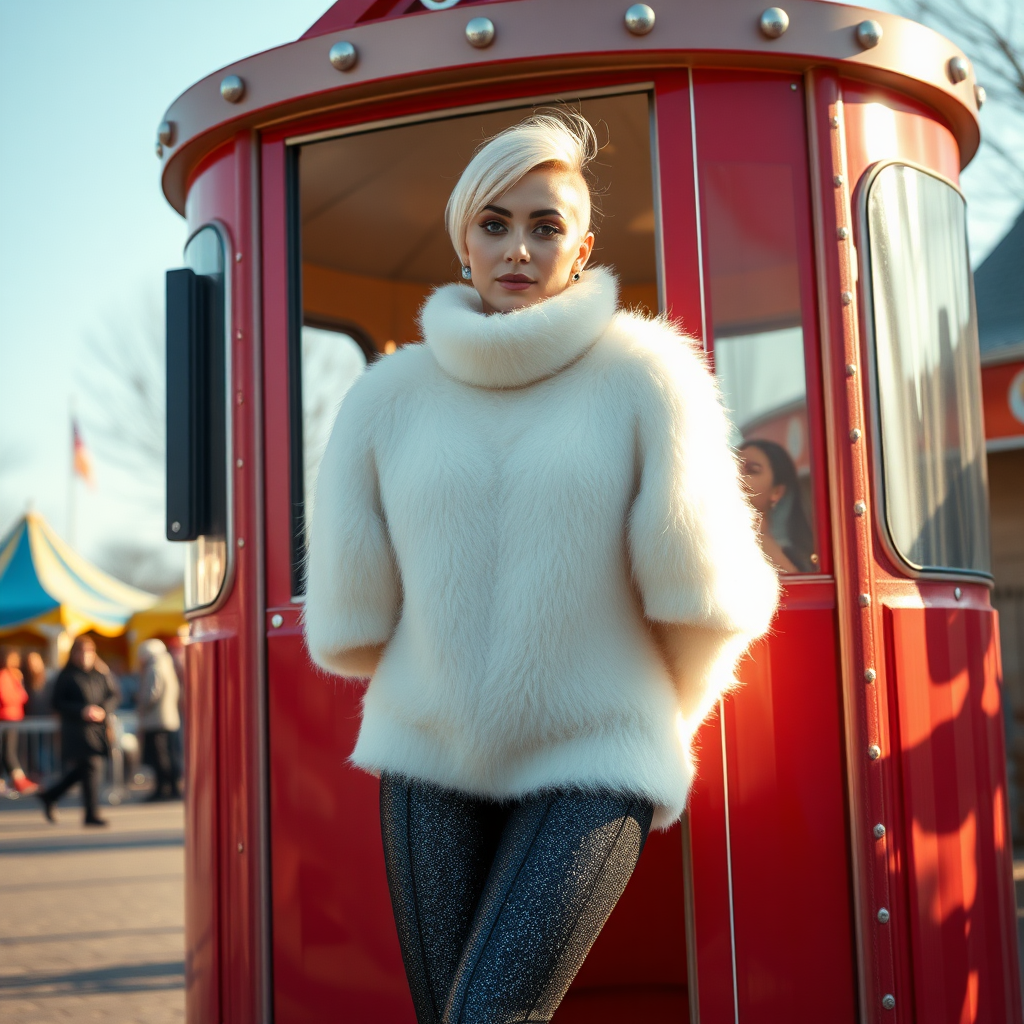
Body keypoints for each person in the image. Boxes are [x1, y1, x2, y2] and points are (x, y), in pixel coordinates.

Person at [304, 112, 779, 1024]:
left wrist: (639, 716)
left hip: (598, 756)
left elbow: (706, 596)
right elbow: (352, 622)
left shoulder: (649, 373)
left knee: (490, 1015)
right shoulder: (385, 398)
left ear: (582, 245)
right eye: (495, 222)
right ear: (463, 238)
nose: (518, 247)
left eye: (546, 225)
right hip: (426, 754)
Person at [38, 634, 120, 826]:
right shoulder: (66, 676)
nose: (85, 656)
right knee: (91, 767)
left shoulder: (100, 674)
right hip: (77, 730)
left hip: (97, 729)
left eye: (88, 652)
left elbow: (113, 696)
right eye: (81, 652)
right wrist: (81, 710)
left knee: (85, 770)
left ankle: (51, 795)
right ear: (73, 654)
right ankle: (91, 813)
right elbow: (57, 703)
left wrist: (103, 710)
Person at [738, 438, 816, 574]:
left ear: (777, 492)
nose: (738, 477)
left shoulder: (791, 555)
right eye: (734, 469)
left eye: (751, 471)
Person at [135, 639, 181, 801]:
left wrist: (140, 704)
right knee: (169, 755)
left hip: (156, 720)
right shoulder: (167, 665)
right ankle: (172, 787)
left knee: (160, 757)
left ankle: (162, 788)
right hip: (168, 718)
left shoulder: (154, 668)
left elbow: (151, 694)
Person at [0, 647, 38, 795]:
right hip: (6, 719)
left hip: (14, 718)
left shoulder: (13, 675)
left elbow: (23, 696)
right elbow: (7, 697)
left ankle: (13, 780)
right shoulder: (3, 675)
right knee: (8, 751)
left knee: (10, 750)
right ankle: (17, 779)